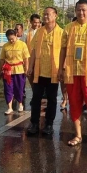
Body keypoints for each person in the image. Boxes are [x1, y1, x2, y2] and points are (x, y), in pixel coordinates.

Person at [58, 0, 87, 146]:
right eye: (78, 9)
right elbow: (63, 50)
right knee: (74, 102)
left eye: (84, 9)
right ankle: (78, 135)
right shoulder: (68, 28)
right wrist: (61, 68)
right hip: (72, 72)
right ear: (75, 11)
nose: (81, 12)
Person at [26, 7, 64, 135]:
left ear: (55, 16)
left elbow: (64, 53)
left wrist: (62, 70)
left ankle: (49, 124)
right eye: (44, 14)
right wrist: (30, 67)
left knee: (52, 99)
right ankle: (34, 123)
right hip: (39, 71)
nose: (46, 16)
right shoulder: (39, 32)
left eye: (48, 14)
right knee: (36, 98)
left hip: (54, 72)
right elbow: (34, 51)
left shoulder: (61, 33)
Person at [0, 29, 30, 114]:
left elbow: (26, 58)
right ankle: (9, 107)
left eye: (12, 38)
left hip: (19, 70)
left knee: (19, 88)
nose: (11, 41)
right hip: (7, 70)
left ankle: (20, 104)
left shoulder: (22, 45)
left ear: (16, 35)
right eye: (9, 39)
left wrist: (26, 69)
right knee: (8, 89)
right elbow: (2, 59)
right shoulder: (5, 46)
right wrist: (0, 71)